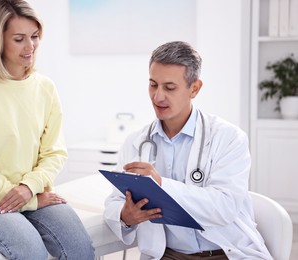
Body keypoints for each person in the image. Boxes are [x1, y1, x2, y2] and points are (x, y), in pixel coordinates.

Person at [0, 1, 94, 259]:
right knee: (30, 249)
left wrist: (29, 189)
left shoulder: (45, 88)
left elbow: (54, 153)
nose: (30, 47)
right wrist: (26, 199)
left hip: (33, 192)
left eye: (35, 37)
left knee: (79, 247)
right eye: (19, 39)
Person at [104, 41, 272, 260]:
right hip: (169, 255)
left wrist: (161, 185)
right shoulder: (136, 143)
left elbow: (225, 207)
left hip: (225, 252)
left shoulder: (229, 138)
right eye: (153, 85)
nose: (158, 97)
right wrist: (125, 216)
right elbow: (114, 201)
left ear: (194, 88)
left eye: (169, 87)